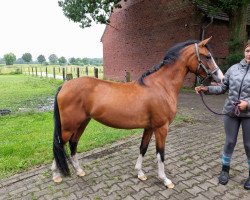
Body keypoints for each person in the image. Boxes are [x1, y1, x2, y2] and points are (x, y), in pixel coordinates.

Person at [195, 41, 250, 190]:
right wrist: (206, 89)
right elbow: (222, 88)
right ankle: (225, 170)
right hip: (230, 112)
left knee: (248, 145)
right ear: (244, 51)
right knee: (230, 142)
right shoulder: (233, 69)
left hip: (249, 115)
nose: (249, 54)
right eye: (248, 50)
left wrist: (247, 104)